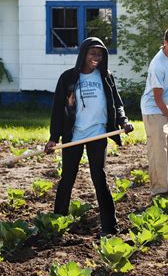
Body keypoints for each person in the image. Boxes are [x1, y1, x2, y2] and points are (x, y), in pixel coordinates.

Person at [45, 37, 134, 236]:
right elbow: (58, 110)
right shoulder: (68, 78)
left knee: (99, 178)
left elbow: (117, 103)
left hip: (97, 134)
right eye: (93, 53)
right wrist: (54, 137)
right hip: (74, 135)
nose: (96, 57)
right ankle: (57, 225)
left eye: (100, 54)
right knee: (67, 177)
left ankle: (110, 228)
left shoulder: (105, 77)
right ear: (83, 54)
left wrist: (124, 121)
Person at [140, 26, 168, 197]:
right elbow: (157, 99)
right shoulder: (157, 65)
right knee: (159, 150)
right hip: (153, 109)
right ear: (165, 43)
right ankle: (160, 190)